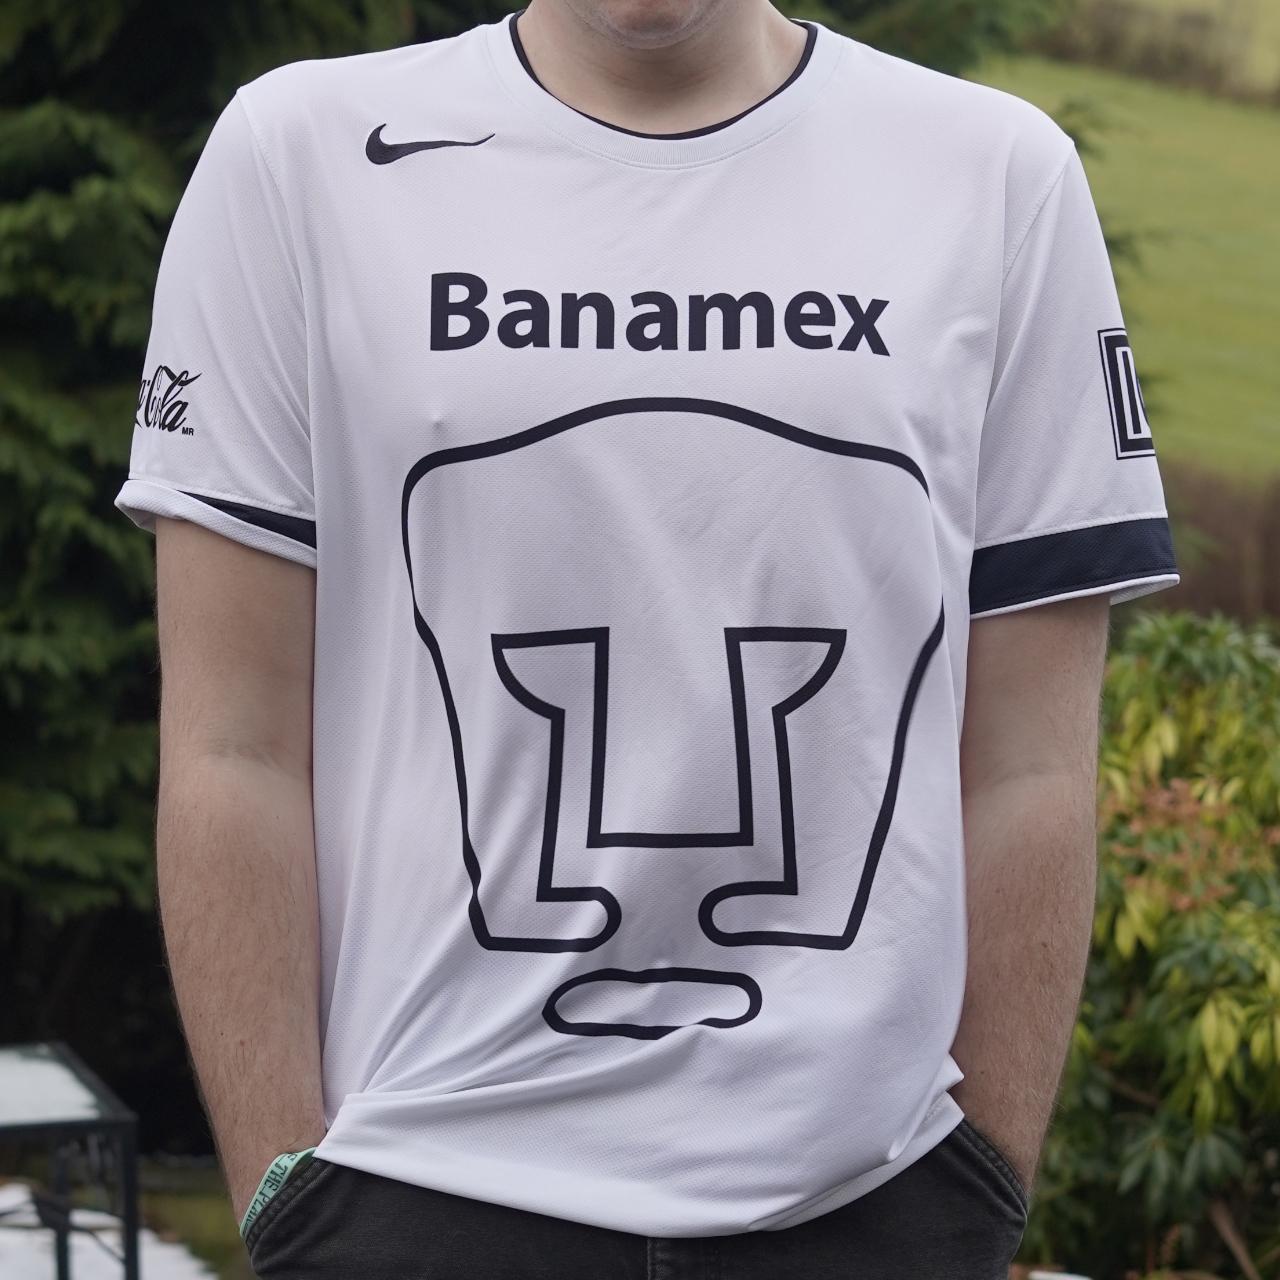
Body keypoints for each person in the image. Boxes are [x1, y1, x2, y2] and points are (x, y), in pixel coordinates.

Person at [115, 0, 1180, 1275]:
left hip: (866, 1199)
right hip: (414, 1186)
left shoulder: (992, 172)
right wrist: (289, 1199)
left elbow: (1027, 763)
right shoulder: (301, 153)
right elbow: (232, 743)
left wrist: (972, 1194)